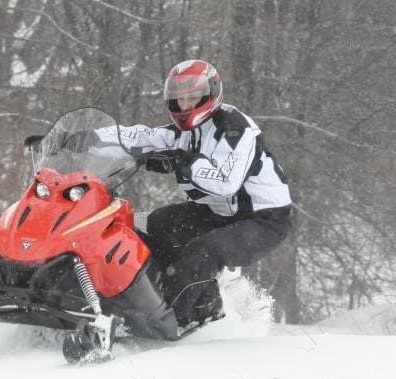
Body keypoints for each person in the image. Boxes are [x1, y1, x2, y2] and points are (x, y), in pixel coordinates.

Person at [116, 59, 292, 329]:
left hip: (263, 219)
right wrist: (84, 139)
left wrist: (184, 161)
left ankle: (172, 320)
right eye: (180, 99)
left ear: (211, 94)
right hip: (219, 212)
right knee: (159, 223)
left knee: (203, 251)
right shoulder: (186, 131)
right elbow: (140, 136)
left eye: (192, 98)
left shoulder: (235, 128)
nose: (185, 106)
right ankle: (198, 306)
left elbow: (226, 182)